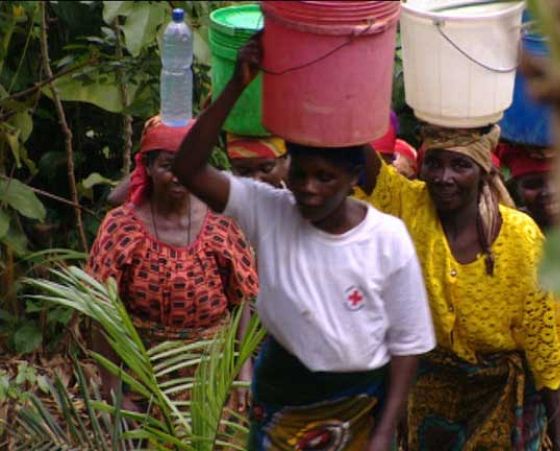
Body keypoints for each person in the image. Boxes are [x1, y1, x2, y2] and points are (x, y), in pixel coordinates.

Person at [171, 34, 435, 451]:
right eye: (300, 174)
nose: (308, 189)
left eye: (325, 177)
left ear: (353, 180)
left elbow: (408, 344)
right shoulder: (269, 208)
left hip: (360, 400)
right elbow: (188, 168)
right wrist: (236, 85)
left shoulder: (386, 239)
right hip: (283, 391)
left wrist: (384, 432)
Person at [360, 123, 560, 450]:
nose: (443, 177)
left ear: (482, 171)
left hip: (504, 398)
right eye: (434, 162)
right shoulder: (409, 207)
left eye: (460, 165)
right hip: (433, 397)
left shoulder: (520, 239)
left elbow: (546, 353)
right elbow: (358, 159)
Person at [86, 116, 260, 410]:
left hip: (211, 373)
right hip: (143, 372)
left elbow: (241, 299)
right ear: (149, 168)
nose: (180, 175)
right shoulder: (122, 227)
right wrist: (114, 391)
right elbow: (100, 312)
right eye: (168, 165)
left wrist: (243, 370)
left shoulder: (221, 221)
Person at [497, 142, 557, 229]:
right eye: (533, 184)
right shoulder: (507, 231)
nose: (549, 191)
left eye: (559, 181)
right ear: (517, 190)